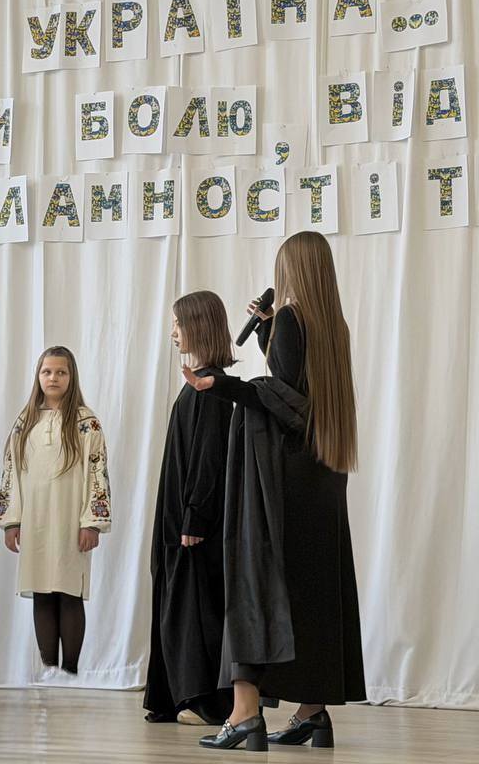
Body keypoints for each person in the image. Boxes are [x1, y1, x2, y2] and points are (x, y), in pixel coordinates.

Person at [187, 232, 366, 753]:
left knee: (257, 580)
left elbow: (285, 402)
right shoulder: (332, 326)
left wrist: (221, 385)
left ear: (291, 269)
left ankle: (245, 716)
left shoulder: (292, 317)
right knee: (311, 591)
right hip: (321, 479)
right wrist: (267, 334)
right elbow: (305, 394)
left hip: (282, 479)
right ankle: (312, 711)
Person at [143, 291, 236, 726]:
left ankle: (208, 703)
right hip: (178, 517)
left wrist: (195, 515)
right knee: (177, 605)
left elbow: (209, 457)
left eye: (178, 323)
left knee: (196, 609)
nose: (173, 332)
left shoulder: (212, 386)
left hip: (194, 523)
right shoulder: (199, 381)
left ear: (198, 325)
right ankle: (177, 695)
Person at [0, 346, 112, 675]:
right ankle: (49, 669)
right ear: (38, 376)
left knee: (68, 592)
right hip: (35, 522)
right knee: (43, 593)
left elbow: (97, 471)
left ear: (71, 377)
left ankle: (69, 671)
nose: (53, 377)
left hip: (71, 521)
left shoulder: (86, 422)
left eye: (61, 372)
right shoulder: (25, 422)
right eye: (47, 371)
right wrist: (11, 521)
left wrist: (92, 522)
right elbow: (10, 472)